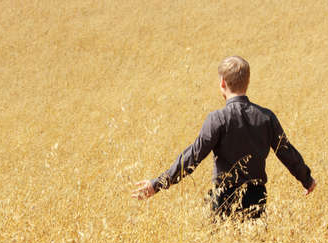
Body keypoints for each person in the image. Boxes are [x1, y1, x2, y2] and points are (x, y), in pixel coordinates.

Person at [132, 56, 316, 219]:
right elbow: (286, 151)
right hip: (257, 198)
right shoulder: (266, 117)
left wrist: (157, 184)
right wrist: (306, 179)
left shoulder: (217, 119)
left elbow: (192, 157)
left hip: (223, 198)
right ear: (248, 81)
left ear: (222, 83)